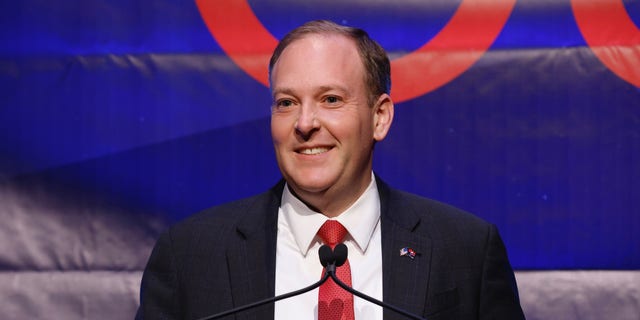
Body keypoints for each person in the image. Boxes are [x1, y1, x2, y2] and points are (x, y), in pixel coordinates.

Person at [137, 20, 525, 320]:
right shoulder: (189, 256)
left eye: (331, 99)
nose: (305, 123)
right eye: (286, 103)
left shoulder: (465, 250)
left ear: (380, 117)